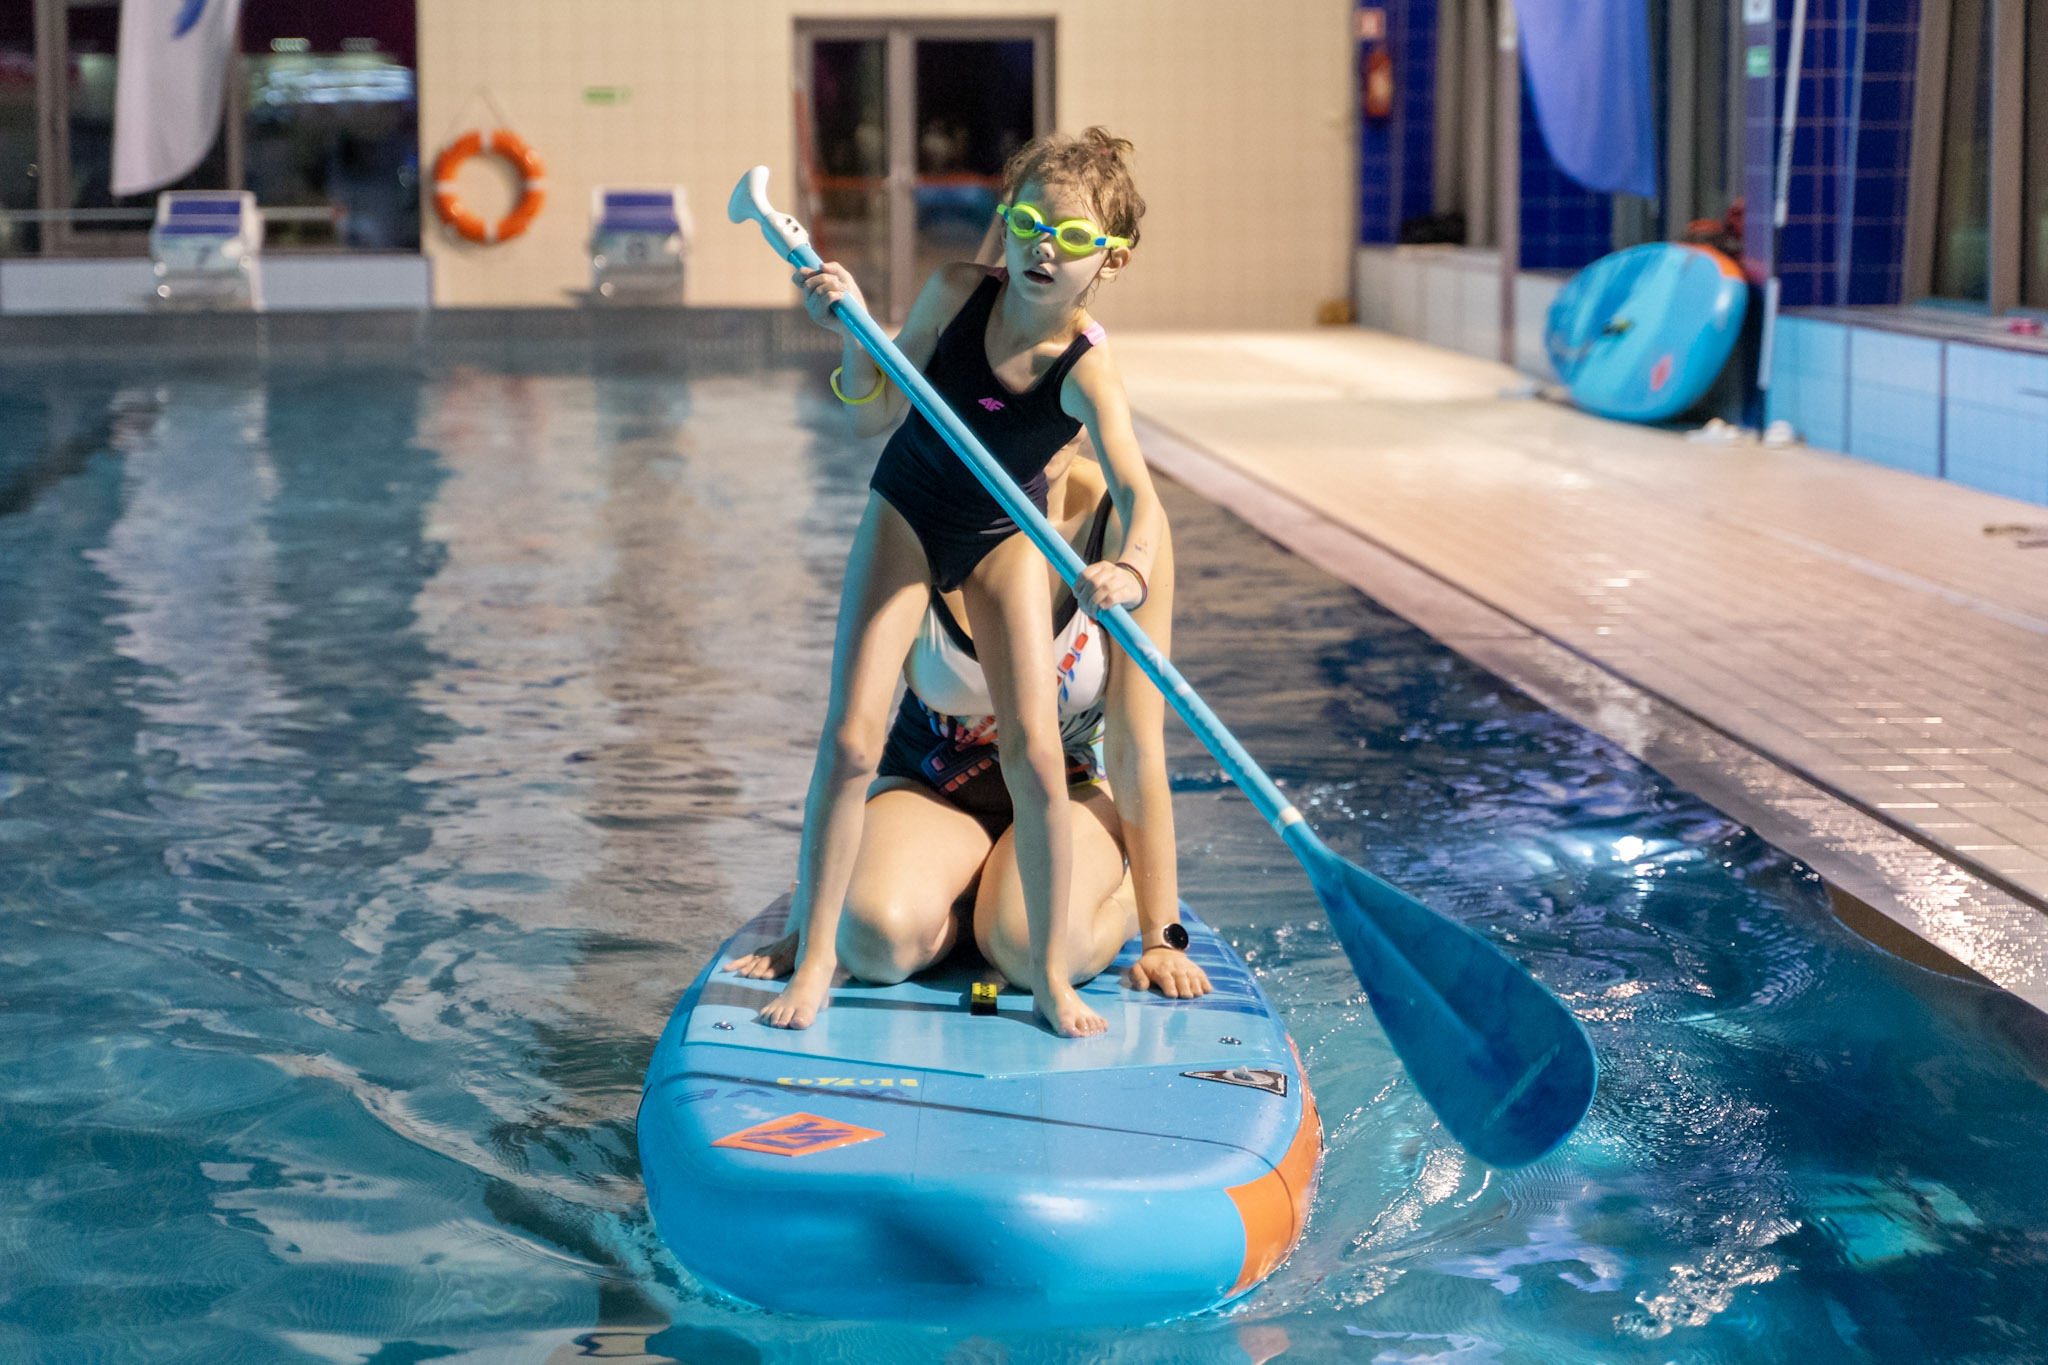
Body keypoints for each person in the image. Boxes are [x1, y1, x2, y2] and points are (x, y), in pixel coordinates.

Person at [730, 127, 1206, 1035]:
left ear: (1111, 260)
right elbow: (873, 406)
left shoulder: (1084, 378)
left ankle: (1052, 970)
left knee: (1038, 774)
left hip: (1004, 551)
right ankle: (821, 948)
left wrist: (1131, 568)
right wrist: (851, 336)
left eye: (1071, 237)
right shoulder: (956, 293)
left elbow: (1140, 497)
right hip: (910, 514)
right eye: (1026, 223)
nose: (1041, 248)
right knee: (850, 742)